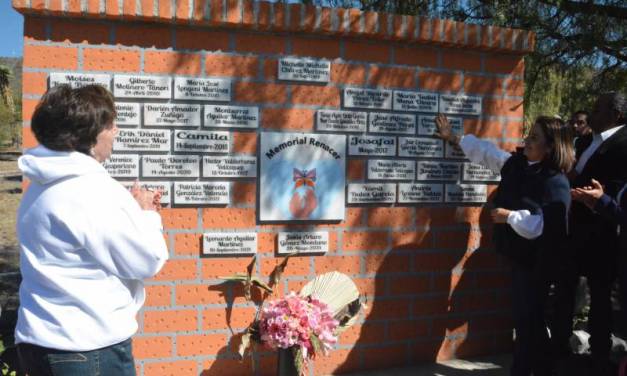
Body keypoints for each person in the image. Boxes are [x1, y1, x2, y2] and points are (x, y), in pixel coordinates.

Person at [15, 84, 169, 375]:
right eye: (111, 123)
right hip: (86, 349)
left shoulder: (41, 184)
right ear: (91, 132)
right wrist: (147, 215)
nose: (117, 131)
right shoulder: (91, 190)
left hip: (41, 342)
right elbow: (147, 260)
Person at [435, 114, 573, 376]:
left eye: (534, 138)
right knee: (526, 320)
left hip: (539, 264)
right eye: (529, 135)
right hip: (520, 258)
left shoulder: (556, 182)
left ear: (551, 146)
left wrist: (509, 217)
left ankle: (530, 369)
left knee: (529, 320)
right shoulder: (518, 165)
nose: (527, 140)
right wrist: (454, 138)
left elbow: (545, 226)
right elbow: (489, 154)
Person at [552, 92, 627, 375]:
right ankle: (559, 350)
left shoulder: (623, 144)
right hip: (573, 232)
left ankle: (599, 358)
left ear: (615, 115)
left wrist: (595, 197)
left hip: (603, 234)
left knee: (600, 298)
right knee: (564, 292)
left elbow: (619, 189)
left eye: (597, 109)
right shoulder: (584, 141)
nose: (591, 115)